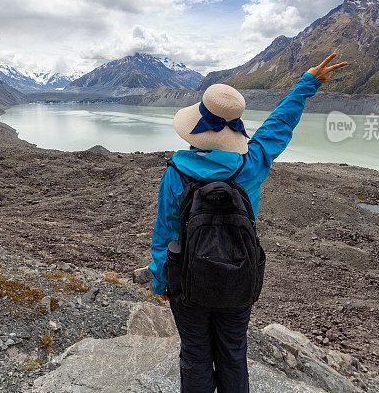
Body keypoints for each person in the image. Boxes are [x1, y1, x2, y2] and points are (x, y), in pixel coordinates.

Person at [149, 53, 347, 393]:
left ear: (196, 125)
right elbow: (278, 125)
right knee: (233, 354)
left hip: (188, 279)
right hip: (239, 275)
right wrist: (307, 83)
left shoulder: (177, 171)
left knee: (195, 354)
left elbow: (165, 231)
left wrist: (160, 280)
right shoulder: (253, 163)